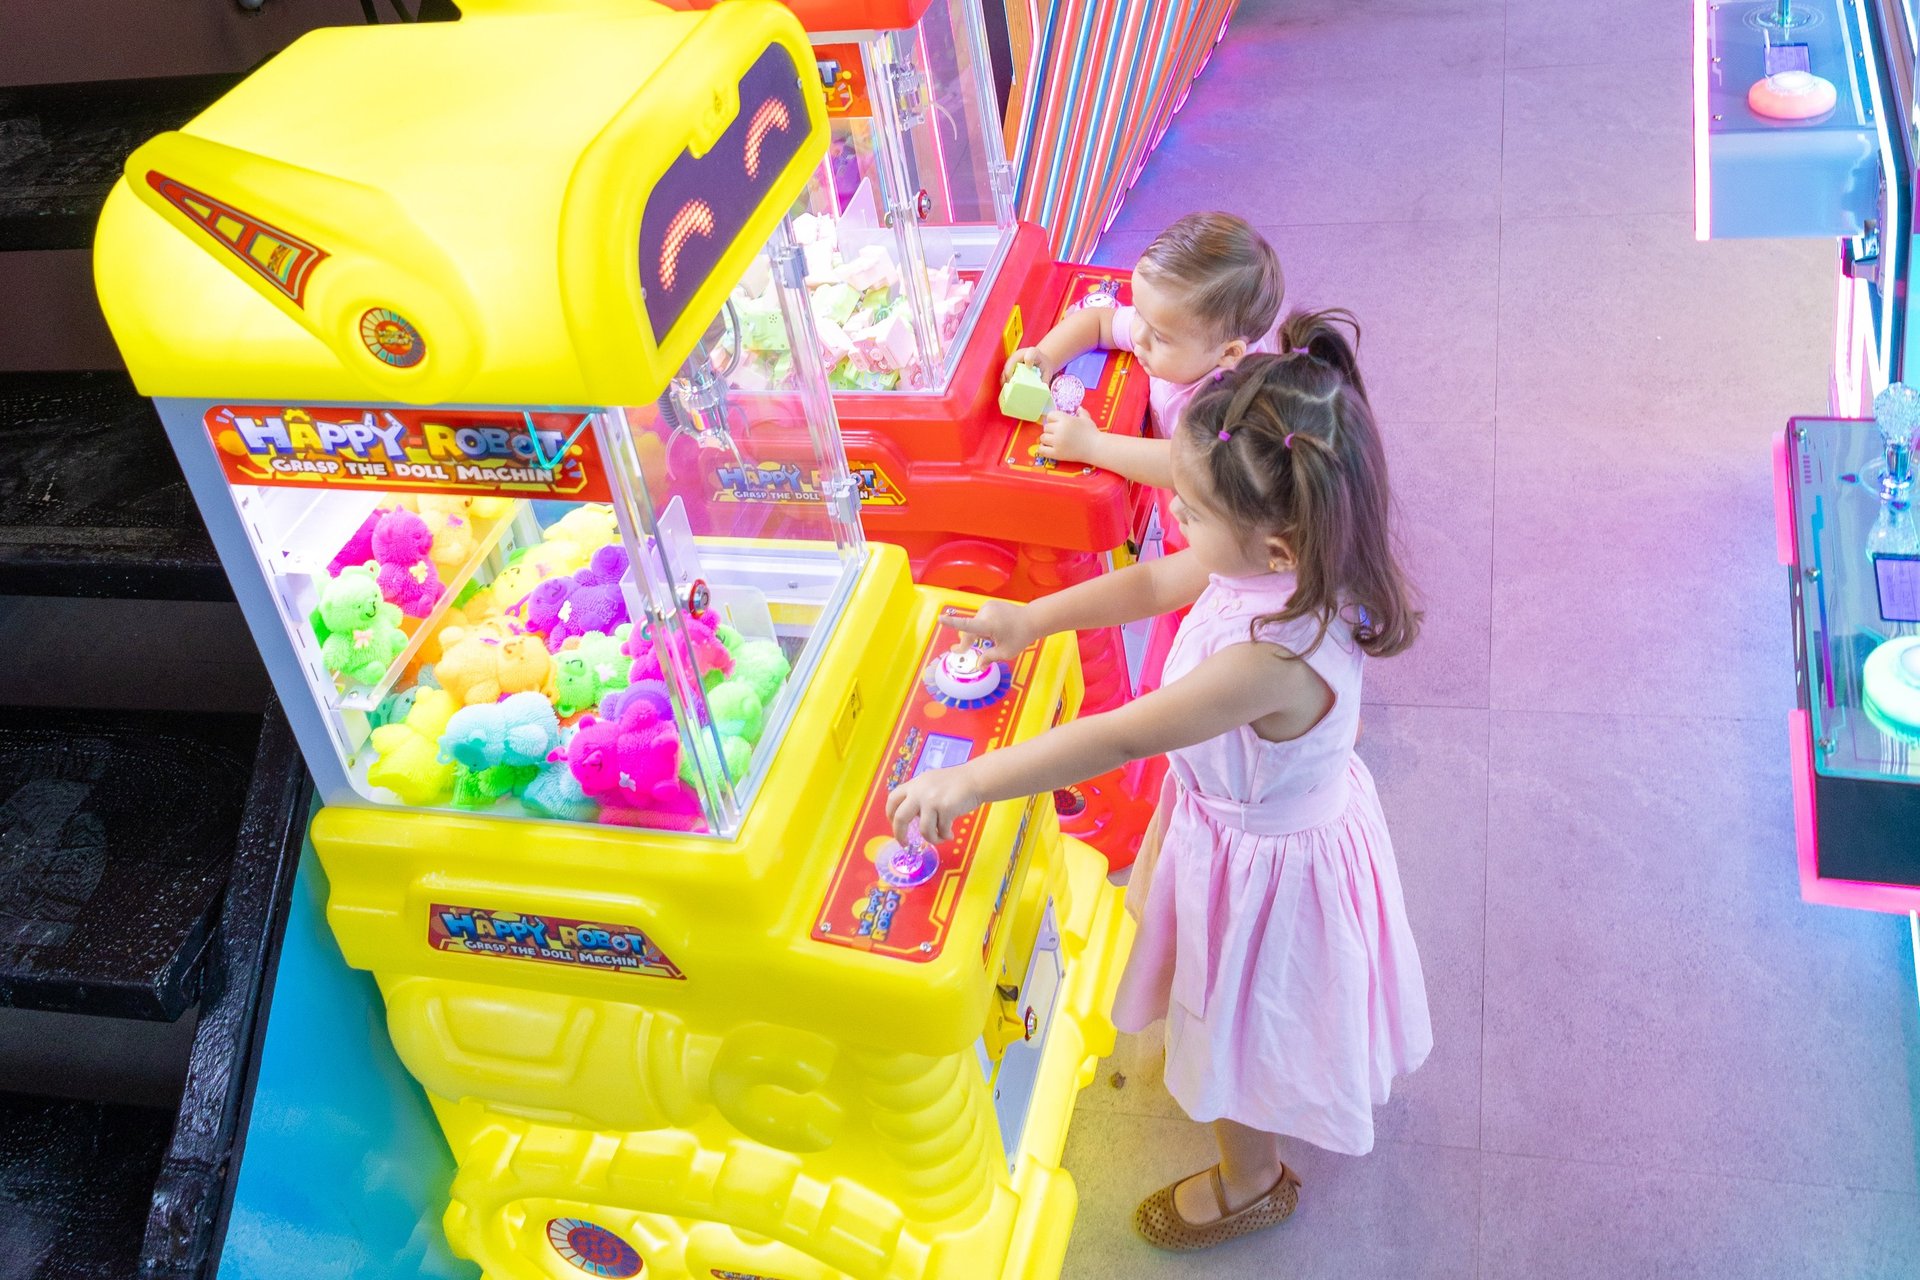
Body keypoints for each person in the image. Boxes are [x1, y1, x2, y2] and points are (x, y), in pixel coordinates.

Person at [890, 312, 1431, 1252]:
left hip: (1263, 867)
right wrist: (1034, 621)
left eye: (1188, 509)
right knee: (1239, 1008)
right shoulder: (1287, 571)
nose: (1171, 520)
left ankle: (1252, 1178)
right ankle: (1247, 1120)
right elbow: (1149, 586)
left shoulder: (1272, 658)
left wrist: (970, 782)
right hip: (1243, 828)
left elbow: (1117, 737)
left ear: (1276, 547)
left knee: (1235, 1020)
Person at [1003, 211, 1286, 488]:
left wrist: (1091, 445)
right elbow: (1099, 321)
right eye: (1138, 313)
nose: (1138, 336)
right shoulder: (1176, 330)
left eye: (1160, 338)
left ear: (1228, 354)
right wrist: (1047, 358)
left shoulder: (1233, 404)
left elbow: (1187, 469)